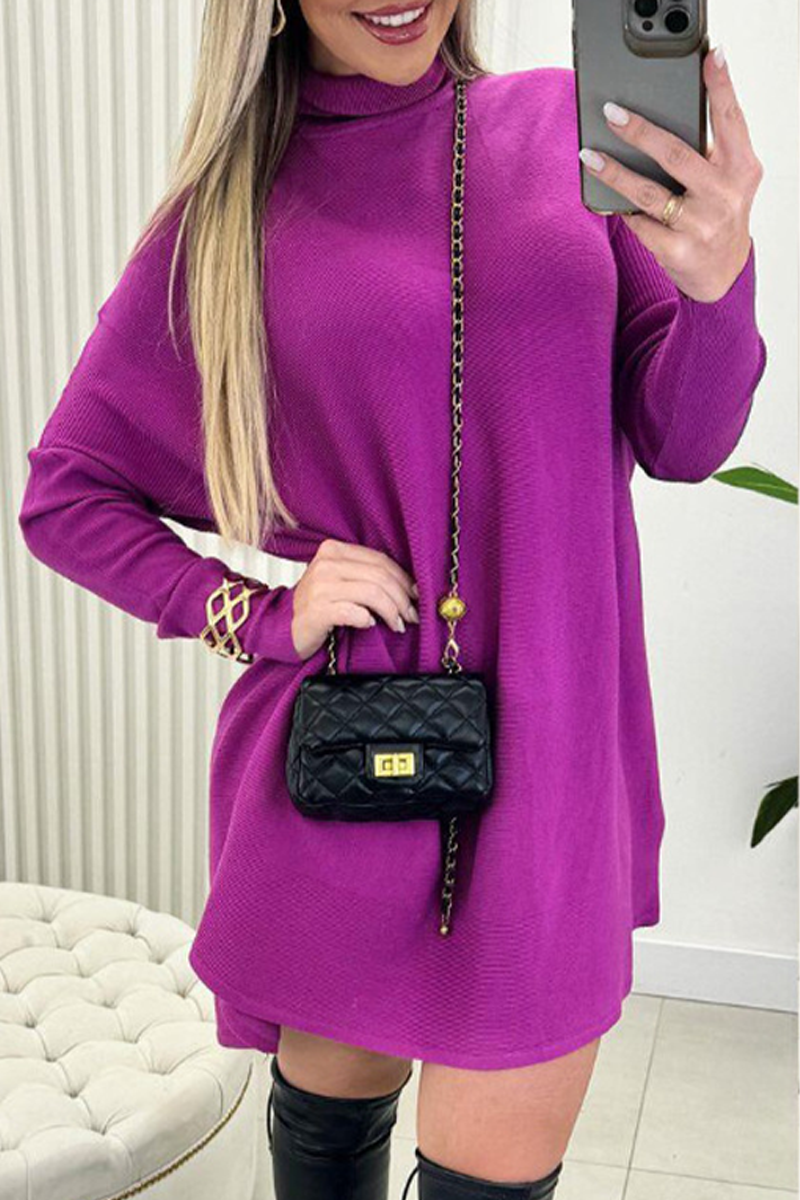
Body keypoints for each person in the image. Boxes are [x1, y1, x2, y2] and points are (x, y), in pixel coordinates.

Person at [17, 0, 768, 1197]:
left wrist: (716, 286)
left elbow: (684, 439)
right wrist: (261, 613)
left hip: (549, 775)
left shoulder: (559, 132)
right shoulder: (227, 216)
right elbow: (67, 494)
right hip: (347, 774)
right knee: (323, 1156)